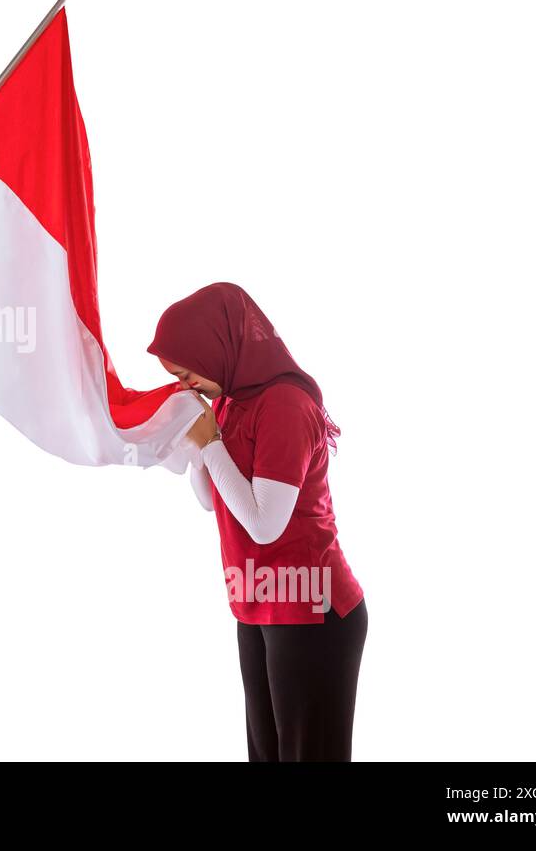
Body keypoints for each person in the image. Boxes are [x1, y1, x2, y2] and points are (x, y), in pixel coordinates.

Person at [147, 282, 367, 761]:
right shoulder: (230, 399)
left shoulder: (285, 405)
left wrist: (211, 443)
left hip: (311, 605)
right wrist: (197, 443)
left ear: (217, 348)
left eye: (187, 375)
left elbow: (266, 525)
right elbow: (211, 500)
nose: (187, 388)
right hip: (258, 602)